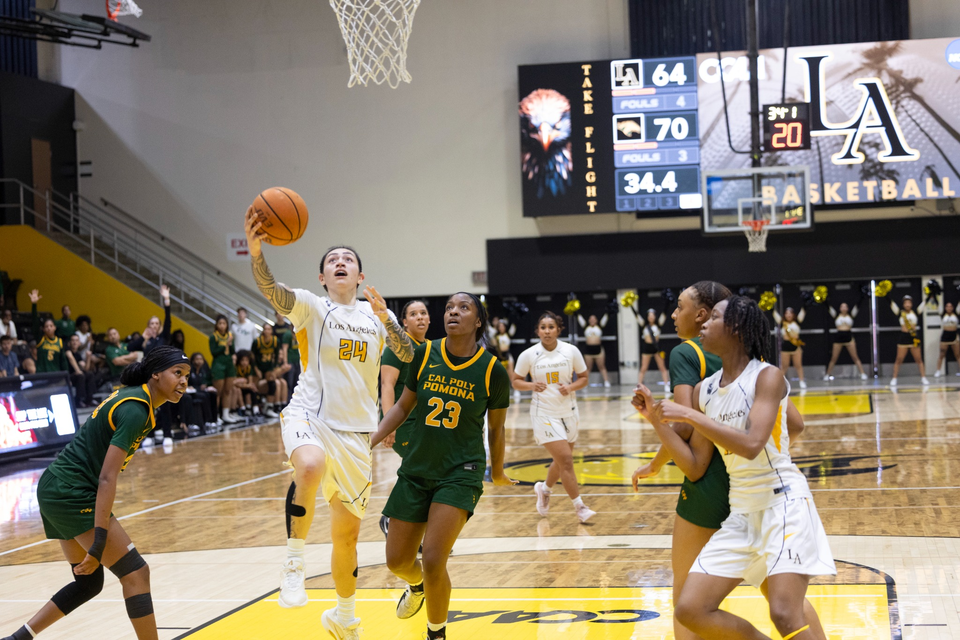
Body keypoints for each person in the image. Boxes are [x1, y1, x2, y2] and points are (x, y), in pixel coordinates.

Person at [244, 207, 414, 639]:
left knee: (347, 538)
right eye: (331, 260)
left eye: (348, 259)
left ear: (360, 275)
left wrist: (389, 318)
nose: (340, 262)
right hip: (310, 415)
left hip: (357, 434)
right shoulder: (312, 307)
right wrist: (256, 250)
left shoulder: (377, 319)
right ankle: (294, 562)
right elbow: (272, 290)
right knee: (310, 466)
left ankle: (344, 618)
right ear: (322, 277)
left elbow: (410, 355)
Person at [634, 296, 834, 640]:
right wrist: (657, 422)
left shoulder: (766, 376)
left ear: (737, 329)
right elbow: (695, 465)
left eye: (713, 318)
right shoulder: (705, 391)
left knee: (785, 613)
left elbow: (753, 445)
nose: (704, 325)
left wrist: (688, 414)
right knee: (690, 609)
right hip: (741, 514)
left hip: (782, 505)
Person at [0, 346, 190, 640]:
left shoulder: (135, 398)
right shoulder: (135, 409)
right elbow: (106, 478)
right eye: (177, 373)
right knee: (137, 574)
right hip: (72, 491)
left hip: (55, 486)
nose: (183, 382)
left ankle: (18, 638)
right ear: (155, 375)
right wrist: (99, 541)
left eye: (187, 376)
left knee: (88, 583)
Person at [371, 292, 515, 640]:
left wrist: (496, 471)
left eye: (463, 308)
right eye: (449, 307)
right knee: (397, 561)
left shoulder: (492, 370)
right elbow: (404, 406)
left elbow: (496, 428)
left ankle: (436, 634)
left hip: (460, 473)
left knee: (435, 557)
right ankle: (416, 586)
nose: (453, 312)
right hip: (417, 469)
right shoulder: (424, 354)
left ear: (478, 320)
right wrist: (370, 440)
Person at [513, 311, 594, 522]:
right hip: (543, 414)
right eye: (543, 327)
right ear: (537, 331)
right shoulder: (529, 354)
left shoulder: (570, 351)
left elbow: (584, 378)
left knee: (560, 461)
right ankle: (580, 507)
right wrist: (531, 385)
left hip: (569, 412)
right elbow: (516, 381)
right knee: (566, 459)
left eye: (551, 327)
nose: (547, 331)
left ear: (559, 329)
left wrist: (570, 387)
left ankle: (545, 489)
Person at [377, 299, 431, 537]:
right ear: (404, 322)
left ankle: (412, 529)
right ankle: (392, 518)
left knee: (426, 474)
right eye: (413, 314)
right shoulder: (396, 347)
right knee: (420, 470)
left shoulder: (432, 348)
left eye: (423, 313)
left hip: (427, 424)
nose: (419, 317)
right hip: (403, 422)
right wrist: (390, 425)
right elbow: (386, 385)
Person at [890, 295, 929, 386]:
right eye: (905, 303)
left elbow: (924, 303)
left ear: (911, 304)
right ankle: (894, 378)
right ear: (903, 304)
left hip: (914, 337)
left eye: (909, 302)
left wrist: (930, 294)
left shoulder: (915, 312)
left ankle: (923, 378)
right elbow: (891, 303)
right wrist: (886, 294)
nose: (907, 304)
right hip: (903, 337)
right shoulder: (900, 313)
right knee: (899, 359)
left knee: (919, 359)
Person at [252, 323, 289, 419]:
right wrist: (256, 369)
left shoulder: (275, 341)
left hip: (269, 367)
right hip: (258, 367)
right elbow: (252, 356)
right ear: (263, 330)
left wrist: (273, 369)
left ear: (271, 331)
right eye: (265, 329)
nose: (267, 331)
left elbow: (276, 356)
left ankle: (269, 407)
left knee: (272, 383)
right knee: (254, 386)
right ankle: (254, 408)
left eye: (269, 329)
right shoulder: (257, 341)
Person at [209, 314, 241, 424]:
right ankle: (216, 415)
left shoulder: (229, 336)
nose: (222, 326)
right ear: (217, 325)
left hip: (229, 364)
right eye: (220, 323)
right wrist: (225, 344)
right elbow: (214, 352)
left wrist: (230, 344)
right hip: (218, 365)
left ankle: (226, 414)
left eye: (224, 323)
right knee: (218, 392)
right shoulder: (213, 337)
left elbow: (232, 351)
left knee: (228, 390)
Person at [824, 302, 868, 380]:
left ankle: (862, 373)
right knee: (834, 358)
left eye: (845, 307)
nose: (844, 308)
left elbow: (857, 306)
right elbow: (828, 307)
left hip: (848, 337)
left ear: (847, 308)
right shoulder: (836, 316)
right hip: (838, 337)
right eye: (842, 306)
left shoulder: (851, 315)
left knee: (855, 357)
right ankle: (827, 374)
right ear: (840, 308)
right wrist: (825, 300)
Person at [128, 287, 172, 355]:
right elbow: (129, 348)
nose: (154, 325)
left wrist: (166, 299)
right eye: (152, 323)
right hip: (148, 365)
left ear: (159, 325)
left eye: (157, 323)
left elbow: (168, 319)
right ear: (148, 325)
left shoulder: (163, 336)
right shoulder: (146, 339)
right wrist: (143, 337)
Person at [634, 306, 669, 388]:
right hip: (647, 347)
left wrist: (667, 304)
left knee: (662, 367)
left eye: (653, 315)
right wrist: (631, 305)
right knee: (643, 368)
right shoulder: (644, 325)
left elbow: (664, 314)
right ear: (647, 317)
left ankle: (666, 384)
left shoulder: (658, 324)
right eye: (649, 315)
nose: (651, 317)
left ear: (655, 316)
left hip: (656, 347)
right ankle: (639, 385)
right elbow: (637, 316)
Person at [773, 306, 807, 389]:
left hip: (795, 346)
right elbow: (774, 313)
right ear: (784, 315)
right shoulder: (782, 322)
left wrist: (805, 305)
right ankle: (779, 383)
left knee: (798, 365)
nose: (788, 315)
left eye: (790, 313)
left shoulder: (797, 322)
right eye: (786, 313)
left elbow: (803, 311)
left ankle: (801, 381)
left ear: (793, 315)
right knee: (784, 366)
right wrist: (770, 307)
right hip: (785, 347)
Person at [577, 313, 611, 387]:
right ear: (589, 320)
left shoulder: (599, 326)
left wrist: (608, 312)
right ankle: (585, 383)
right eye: (591, 319)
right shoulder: (586, 327)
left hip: (598, 349)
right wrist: (576, 311)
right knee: (587, 368)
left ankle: (606, 381)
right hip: (588, 350)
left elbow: (605, 318)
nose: (592, 320)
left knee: (602, 367)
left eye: (594, 319)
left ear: (596, 320)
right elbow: (579, 317)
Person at [188, 353, 219, 431]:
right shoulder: (189, 370)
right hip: (191, 392)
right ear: (193, 360)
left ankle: (214, 419)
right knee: (204, 396)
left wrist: (206, 386)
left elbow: (204, 382)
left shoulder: (203, 370)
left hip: (200, 391)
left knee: (213, 394)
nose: (199, 361)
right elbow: (189, 385)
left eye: (201, 359)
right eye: (197, 359)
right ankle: (207, 420)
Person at [66, 335, 97, 408]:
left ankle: (89, 399)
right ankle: (78, 401)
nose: (74, 342)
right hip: (68, 376)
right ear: (70, 343)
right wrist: (78, 370)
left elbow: (86, 368)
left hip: (77, 376)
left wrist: (88, 358)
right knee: (81, 375)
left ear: (79, 343)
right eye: (73, 340)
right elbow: (71, 358)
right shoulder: (67, 351)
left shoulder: (78, 355)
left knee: (89, 374)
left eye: (76, 340)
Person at [935, 302, 960, 377]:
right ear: (945, 308)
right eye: (947, 306)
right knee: (941, 354)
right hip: (945, 336)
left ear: (952, 308)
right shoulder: (943, 315)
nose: (949, 308)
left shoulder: (956, 314)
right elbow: (937, 304)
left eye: (950, 306)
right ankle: (938, 371)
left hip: (954, 336)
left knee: (958, 355)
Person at [233, 351, 260, 417]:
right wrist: (246, 385)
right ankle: (243, 409)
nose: (245, 362)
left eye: (246, 360)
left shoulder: (249, 368)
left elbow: (250, 382)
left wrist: (249, 385)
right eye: (242, 360)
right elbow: (234, 383)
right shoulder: (236, 368)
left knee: (253, 389)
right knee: (239, 390)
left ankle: (255, 409)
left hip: (244, 386)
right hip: (238, 387)